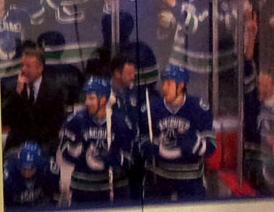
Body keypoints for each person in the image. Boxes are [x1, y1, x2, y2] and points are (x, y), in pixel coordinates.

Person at [140, 64, 216, 201]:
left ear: (181, 86)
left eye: (169, 84)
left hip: (190, 180)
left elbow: (211, 147)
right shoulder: (151, 108)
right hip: (159, 179)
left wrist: (193, 143)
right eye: (163, 83)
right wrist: (148, 147)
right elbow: (140, 140)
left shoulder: (198, 108)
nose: (164, 88)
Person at [59, 76, 134, 204]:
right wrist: (79, 153)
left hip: (113, 188)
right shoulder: (76, 120)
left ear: (103, 99)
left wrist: (113, 158)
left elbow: (130, 157)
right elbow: (65, 151)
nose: (87, 102)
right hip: (82, 189)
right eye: (87, 98)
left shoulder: (120, 123)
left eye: (92, 98)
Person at [1, 42, 65, 154]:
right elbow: (3, 118)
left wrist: (32, 149)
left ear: (40, 68)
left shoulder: (54, 91)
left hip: (42, 147)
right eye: (22, 65)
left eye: (28, 66)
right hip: (17, 147)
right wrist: (18, 92)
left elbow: (55, 127)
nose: (24, 70)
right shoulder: (14, 88)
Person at [3, 141, 61, 210]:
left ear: (38, 165)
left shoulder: (48, 169)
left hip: (43, 209)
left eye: (31, 168)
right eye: (24, 168)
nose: (27, 172)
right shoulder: (8, 173)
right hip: (14, 211)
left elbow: (59, 195)